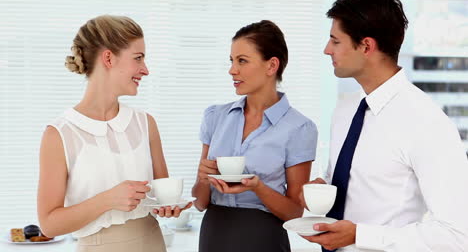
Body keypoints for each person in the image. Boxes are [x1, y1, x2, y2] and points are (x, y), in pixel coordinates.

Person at [301, 0, 468, 251]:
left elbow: (458, 234)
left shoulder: (426, 122)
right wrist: (323, 186)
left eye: (335, 41)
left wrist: (360, 236)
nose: (326, 50)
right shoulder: (345, 109)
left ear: (366, 46)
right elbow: (349, 177)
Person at [37, 15, 190, 252]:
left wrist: (170, 206)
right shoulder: (59, 134)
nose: (145, 70)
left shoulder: (145, 123)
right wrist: (107, 200)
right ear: (108, 58)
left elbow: (161, 198)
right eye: (138, 58)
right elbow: (49, 224)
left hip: (153, 242)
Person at [191, 20, 318, 252]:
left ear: (271, 66)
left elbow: (294, 212)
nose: (232, 70)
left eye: (242, 61)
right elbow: (200, 203)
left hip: (263, 238)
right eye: (232, 61)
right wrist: (202, 178)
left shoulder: (299, 128)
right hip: (213, 234)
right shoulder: (215, 117)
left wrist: (257, 187)